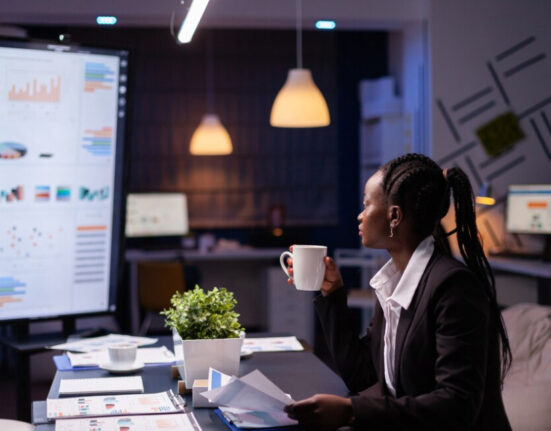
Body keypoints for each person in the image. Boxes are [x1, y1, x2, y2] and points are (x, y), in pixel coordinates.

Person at [283, 153, 512, 430]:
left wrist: (351, 411)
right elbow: (361, 373)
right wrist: (332, 294)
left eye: (366, 205)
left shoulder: (454, 288)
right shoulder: (396, 282)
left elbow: (457, 405)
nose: (360, 215)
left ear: (394, 216)